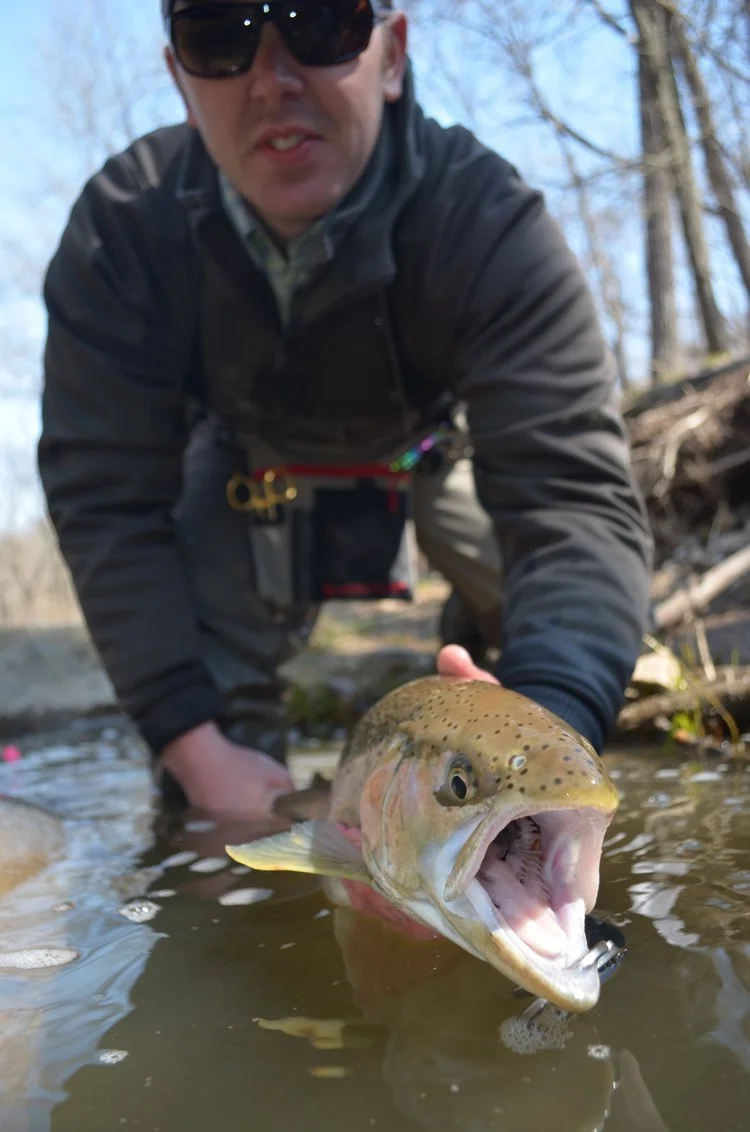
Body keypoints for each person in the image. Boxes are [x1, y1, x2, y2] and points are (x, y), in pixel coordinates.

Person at [38, 0, 652, 820]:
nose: (273, 79)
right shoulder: (120, 233)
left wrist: (544, 749)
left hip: (431, 458)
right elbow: (107, 503)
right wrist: (194, 742)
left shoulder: (491, 222)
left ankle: (507, 657)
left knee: (574, 659)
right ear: (179, 81)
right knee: (207, 795)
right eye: (218, 36)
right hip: (247, 478)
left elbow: (571, 500)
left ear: (392, 56)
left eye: (322, 22)